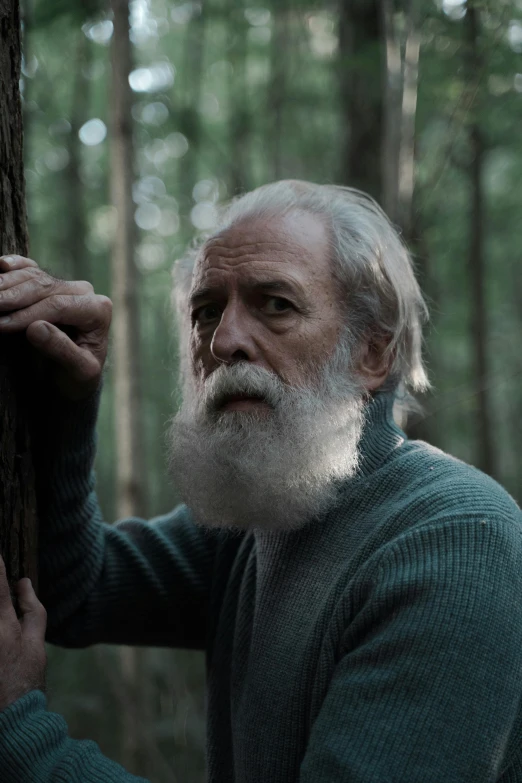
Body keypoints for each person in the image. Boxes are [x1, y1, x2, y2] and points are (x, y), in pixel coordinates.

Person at [0, 180, 520, 783]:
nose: (224, 341)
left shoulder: (457, 542)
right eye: (206, 311)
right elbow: (74, 593)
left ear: (373, 354)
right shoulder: (264, 512)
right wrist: (67, 403)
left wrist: (20, 736)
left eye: (276, 304)